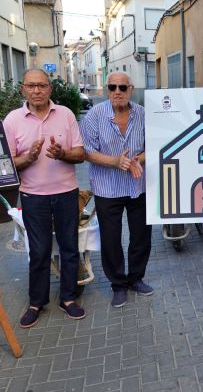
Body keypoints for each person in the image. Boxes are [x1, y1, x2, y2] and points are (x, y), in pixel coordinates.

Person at [3, 69, 86, 328]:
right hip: (32, 196)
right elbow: (6, 163)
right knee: (38, 252)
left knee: (70, 248)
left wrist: (62, 153)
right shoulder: (12, 120)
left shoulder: (66, 115)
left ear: (50, 89)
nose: (36, 90)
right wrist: (27, 158)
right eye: (31, 85)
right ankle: (36, 302)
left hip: (66, 193)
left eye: (41, 86)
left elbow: (81, 153)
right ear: (23, 89)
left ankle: (68, 299)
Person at [80, 71, 152, 308]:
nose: (117, 92)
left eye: (122, 87)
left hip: (138, 184)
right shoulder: (94, 115)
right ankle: (118, 285)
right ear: (106, 90)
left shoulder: (143, 114)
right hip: (106, 187)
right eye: (112, 87)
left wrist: (136, 160)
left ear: (131, 89)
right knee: (111, 239)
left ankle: (136, 278)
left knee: (141, 235)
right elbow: (86, 151)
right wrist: (115, 161)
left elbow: (155, 145)